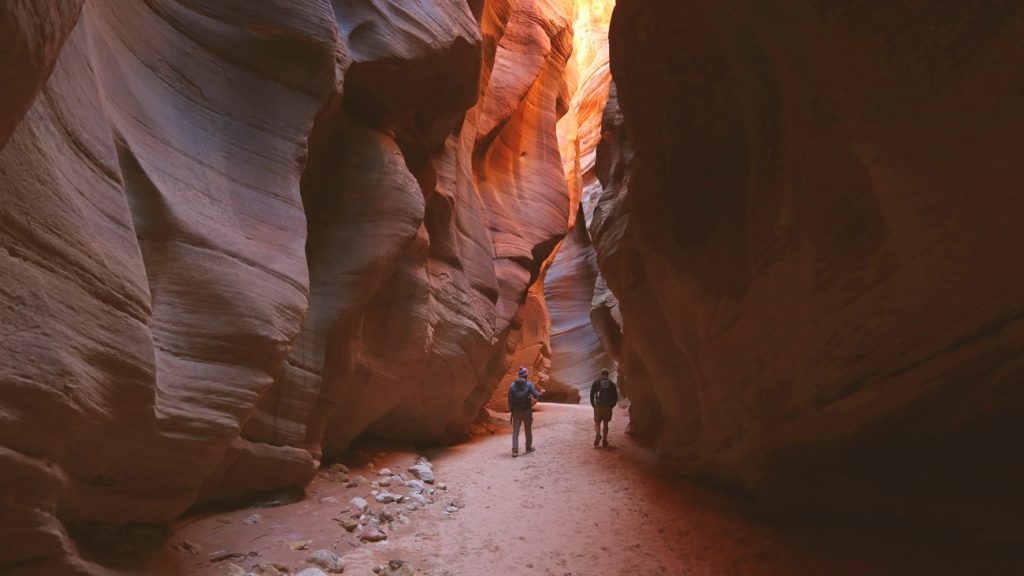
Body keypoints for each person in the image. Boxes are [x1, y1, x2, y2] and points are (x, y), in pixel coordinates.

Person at [508, 366, 543, 457]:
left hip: (516, 412)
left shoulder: (512, 385)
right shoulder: (529, 384)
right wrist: (541, 393)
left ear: (519, 375)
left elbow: (510, 400)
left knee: (515, 431)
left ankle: (515, 451)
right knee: (528, 430)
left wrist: (512, 411)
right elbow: (536, 396)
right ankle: (528, 448)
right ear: (526, 375)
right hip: (527, 411)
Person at [590, 368, 618, 447]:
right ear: (608, 375)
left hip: (598, 405)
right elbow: (615, 396)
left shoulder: (596, 382)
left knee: (597, 422)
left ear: (601, 374)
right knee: (605, 423)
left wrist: (593, 404)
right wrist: (612, 405)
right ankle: (605, 439)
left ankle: (598, 434)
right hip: (608, 406)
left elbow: (592, 394)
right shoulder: (611, 383)